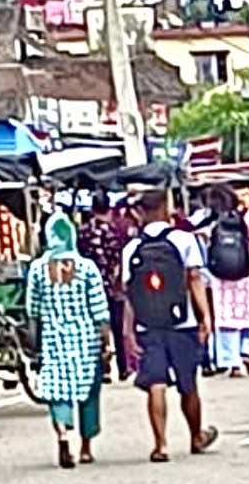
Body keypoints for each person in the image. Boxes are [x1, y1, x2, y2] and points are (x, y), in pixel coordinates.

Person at [122, 188, 218, 463]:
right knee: (188, 384)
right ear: (166, 209)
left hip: (147, 324)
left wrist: (129, 331)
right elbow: (195, 280)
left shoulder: (132, 248)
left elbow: (129, 293)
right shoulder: (184, 240)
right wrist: (205, 318)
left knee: (156, 384)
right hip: (182, 322)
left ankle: (161, 444)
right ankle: (196, 437)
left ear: (141, 213)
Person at [26, 211, 111, 469]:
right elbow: (99, 309)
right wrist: (106, 341)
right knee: (88, 392)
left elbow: (33, 309)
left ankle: (63, 435)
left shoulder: (39, 268)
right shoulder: (86, 267)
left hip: (53, 338)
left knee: (58, 390)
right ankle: (85, 448)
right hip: (85, 340)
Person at [202, 185, 249, 378]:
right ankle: (246, 351)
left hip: (220, 273)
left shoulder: (211, 220)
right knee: (247, 312)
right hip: (245, 270)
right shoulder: (247, 216)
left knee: (224, 317)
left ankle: (232, 363)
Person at [79, 193, 132, 383]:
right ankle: (123, 367)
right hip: (111, 285)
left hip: (90, 286)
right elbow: (119, 259)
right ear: (109, 209)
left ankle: (103, 369)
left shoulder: (83, 231)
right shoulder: (114, 231)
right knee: (117, 326)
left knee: (96, 327)